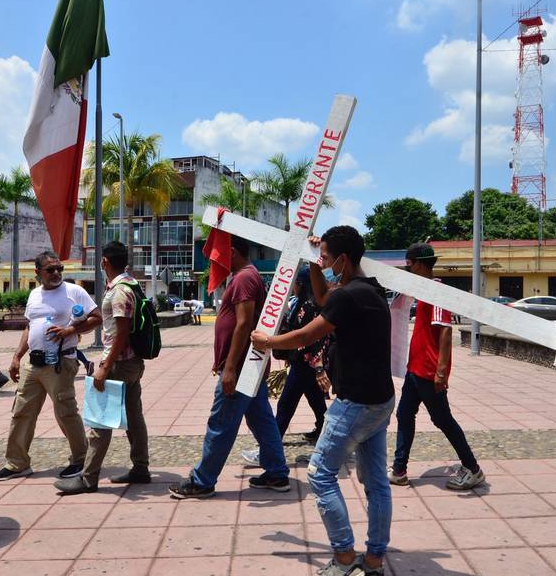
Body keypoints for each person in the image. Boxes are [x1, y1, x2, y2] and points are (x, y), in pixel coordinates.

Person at [252, 225, 394, 576]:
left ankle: (344, 556)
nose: (324, 263)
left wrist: (268, 342)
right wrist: (315, 261)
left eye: (328, 258)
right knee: (376, 482)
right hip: (380, 400)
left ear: (343, 260)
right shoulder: (369, 290)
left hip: (356, 403)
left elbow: (306, 333)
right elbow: (323, 297)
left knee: (320, 474)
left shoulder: (348, 296)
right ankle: (374, 558)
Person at [168, 236, 289, 499]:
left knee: (221, 422)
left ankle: (202, 481)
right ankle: (277, 473)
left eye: (218, 254)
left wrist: (231, 367)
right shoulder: (245, 275)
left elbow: (244, 323)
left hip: (242, 367)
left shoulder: (244, 277)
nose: (215, 260)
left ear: (232, 252)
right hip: (249, 365)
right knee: (262, 420)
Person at [0, 251, 102, 482]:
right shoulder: (34, 294)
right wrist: (17, 356)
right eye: (50, 269)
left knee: (65, 412)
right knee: (22, 412)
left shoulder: (74, 292)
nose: (56, 273)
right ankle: (17, 463)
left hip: (60, 362)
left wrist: (70, 330)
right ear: (38, 273)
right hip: (33, 363)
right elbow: (30, 326)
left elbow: (97, 317)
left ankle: (80, 459)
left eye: (59, 268)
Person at [54, 241, 151, 494]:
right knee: (134, 418)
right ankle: (141, 468)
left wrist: (105, 367)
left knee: (99, 422)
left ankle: (88, 478)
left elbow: (121, 332)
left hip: (119, 364)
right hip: (131, 363)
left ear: (104, 261)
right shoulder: (132, 285)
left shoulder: (119, 290)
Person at [388, 243, 484, 491]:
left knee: (443, 420)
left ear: (418, 264)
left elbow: (444, 330)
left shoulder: (437, 291)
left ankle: (473, 469)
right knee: (404, 415)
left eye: (409, 264)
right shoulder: (421, 291)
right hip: (415, 370)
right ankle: (399, 469)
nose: (407, 269)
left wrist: (441, 371)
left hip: (429, 372)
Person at [241, 266, 328, 466]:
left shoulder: (308, 306)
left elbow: (307, 338)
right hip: (305, 362)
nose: (293, 288)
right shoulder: (307, 303)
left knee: (285, 405)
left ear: (301, 284)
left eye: (295, 284)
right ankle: (328, 446)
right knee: (318, 406)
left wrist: (317, 367)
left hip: (306, 364)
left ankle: (267, 452)